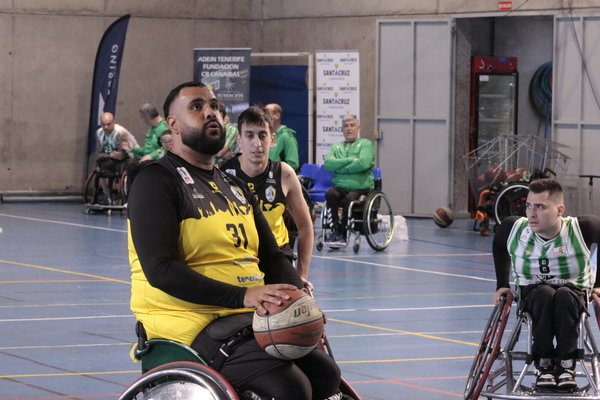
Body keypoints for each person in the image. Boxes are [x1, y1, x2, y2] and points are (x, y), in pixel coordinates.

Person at [127, 81, 342, 400]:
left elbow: (272, 256)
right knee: (291, 388)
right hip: (188, 322)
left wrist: (299, 299)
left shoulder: (235, 186)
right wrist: (244, 295)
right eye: (197, 107)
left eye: (214, 106)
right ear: (173, 124)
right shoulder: (156, 180)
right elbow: (161, 270)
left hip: (247, 316)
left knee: (327, 375)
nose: (210, 112)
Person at [493, 178, 600, 389]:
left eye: (540, 207)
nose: (531, 213)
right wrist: (502, 284)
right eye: (528, 206)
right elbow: (498, 246)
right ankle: (544, 363)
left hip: (574, 292)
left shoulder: (583, 227)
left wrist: (598, 283)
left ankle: (566, 363)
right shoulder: (514, 227)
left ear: (560, 210)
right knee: (544, 293)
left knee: (563, 295)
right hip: (532, 292)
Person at [220, 106, 314, 290]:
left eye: (262, 135)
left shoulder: (284, 173)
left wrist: (301, 274)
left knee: (299, 298)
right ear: (239, 140)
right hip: (237, 255)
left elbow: (305, 226)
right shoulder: (222, 173)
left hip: (276, 254)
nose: (257, 143)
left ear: (272, 140)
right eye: (249, 135)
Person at [323, 115, 375, 246]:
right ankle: (335, 229)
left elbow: (363, 163)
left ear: (358, 128)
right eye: (346, 126)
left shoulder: (366, 144)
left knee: (350, 198)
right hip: (341, 187)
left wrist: (340, 167)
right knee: (330, 193)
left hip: (360, 188)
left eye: (352, 125)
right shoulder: (336, 147)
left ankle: (343, 232)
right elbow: (328, 164)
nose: (349, 128)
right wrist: (350, 160)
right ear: (342, 129)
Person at [122, 103, 170, 193]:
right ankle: (132, 194)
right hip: (148, 159)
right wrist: (133, 149)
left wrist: (151, 156)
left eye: (142, 117)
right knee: (128, 163)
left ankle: (135, 194)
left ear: (147, 118)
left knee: (134, 165)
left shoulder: (163, 128)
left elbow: (168, 147)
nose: (142, 120)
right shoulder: (152, 129)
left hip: (160, 160)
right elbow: (146, 151)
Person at [94, 112, 139, 205]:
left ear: (114, 122)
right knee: (99, 165)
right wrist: (110, 155)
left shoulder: (120, 133)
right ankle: (107, 194)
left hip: (130, 158)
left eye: (108, 124)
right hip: (112, 157)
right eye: (103, 124)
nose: (106, 127)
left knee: (113, 166)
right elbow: (100, 153)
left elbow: (120, 155)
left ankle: (118, 194)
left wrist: (109, 155)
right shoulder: (99, 133)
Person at [265, 103, 299, 171]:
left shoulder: (287, 137)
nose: (264, 116)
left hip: (277, 176)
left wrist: (276, 172)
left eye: (267, 113)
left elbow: (293, 163)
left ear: (277, 116)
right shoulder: (265, 136)